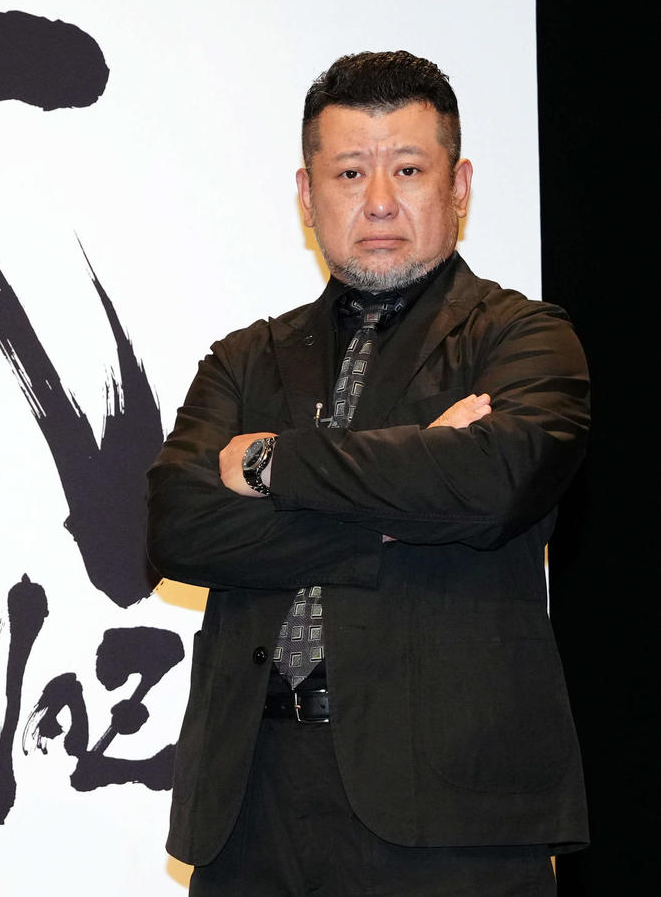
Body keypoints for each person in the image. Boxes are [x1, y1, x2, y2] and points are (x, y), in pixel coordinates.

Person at [147, 51, 588, 894]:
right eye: (350, 173)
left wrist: (271, 462)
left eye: (409, 170)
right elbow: (179, 527)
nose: (379, 201)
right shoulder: (244, 360)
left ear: (459, 186)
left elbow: (493, 484)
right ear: (307, 195)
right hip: (250, 804)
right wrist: (396, 509)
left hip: (452, 815)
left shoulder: (524, 339)